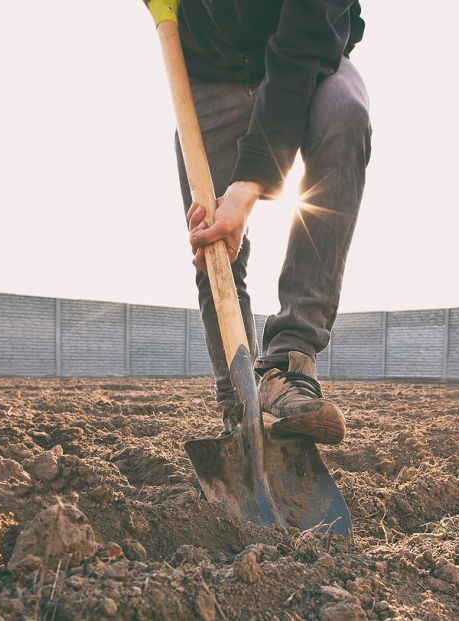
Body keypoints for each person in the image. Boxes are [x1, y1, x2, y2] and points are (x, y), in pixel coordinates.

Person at [172, 1, 370, 445]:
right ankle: (239, 404)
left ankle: (290, 361)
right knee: (213, 237)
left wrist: (249, 185)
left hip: (311, 56)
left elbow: (303, 38)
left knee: (344, 115)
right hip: (210, 71)